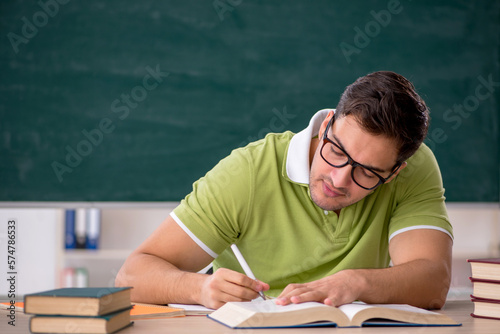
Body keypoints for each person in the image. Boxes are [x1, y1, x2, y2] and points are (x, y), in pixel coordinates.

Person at [115, 71, 453, 310]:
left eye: (366, 172)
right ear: (327, 125)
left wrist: (356, 283)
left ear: (394, 173)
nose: (338, 179)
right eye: (336, 151)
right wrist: (199, 287)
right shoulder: (248, 172)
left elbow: (433, 282)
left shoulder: (417, 168)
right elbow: (132, 274)